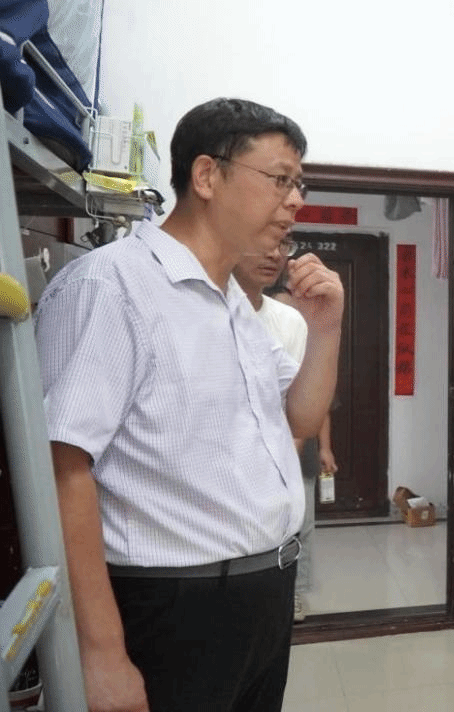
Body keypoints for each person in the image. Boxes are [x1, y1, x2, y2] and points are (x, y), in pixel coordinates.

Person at [35, 97, 343, 712]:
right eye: (280, 179)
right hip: (173, 606)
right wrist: (101, 653)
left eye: (298, 184)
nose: (295, 201)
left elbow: (300, 418)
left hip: (261, 596)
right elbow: (62, 470)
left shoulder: (231, 301)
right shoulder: (111, 287)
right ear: (206, 175)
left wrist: (326, 326)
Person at [236, 251, 338, 623]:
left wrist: (324, 447)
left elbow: (316, 408)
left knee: (302, 526)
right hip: (260, 457)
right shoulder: (246, 331)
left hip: (298, 455)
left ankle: (295, 593)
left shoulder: (307, 343)